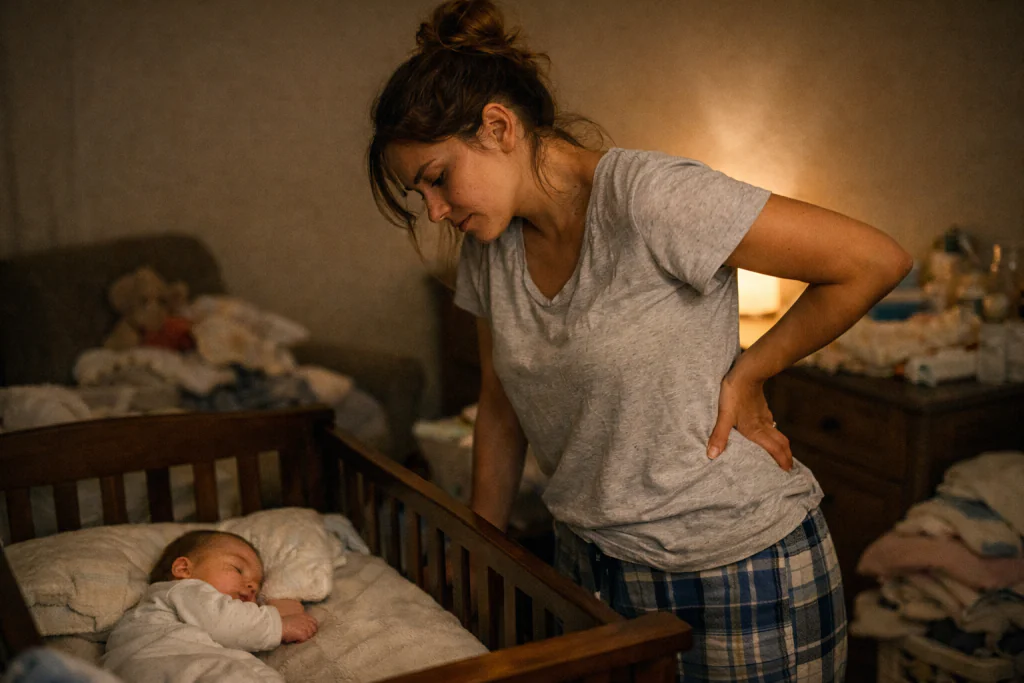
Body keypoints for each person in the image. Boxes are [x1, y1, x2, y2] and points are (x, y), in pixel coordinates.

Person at [367, 1, 912, 680]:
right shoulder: (489, 245)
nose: (437, 210)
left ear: (499, 126)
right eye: (422, 195)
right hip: (594, 571)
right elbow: (498, 402)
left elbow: (872, 260)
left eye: (438, 178)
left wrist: (752, 371)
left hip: (737, 568)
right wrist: (486, 550)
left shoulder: (649, 198)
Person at [102, 531, 318, 683]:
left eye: (257, 584)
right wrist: (279, 624)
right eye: (238, 569)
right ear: (183, 568)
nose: (252, 586)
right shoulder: (183, 589)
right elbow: (228, 623)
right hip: (164, 666)